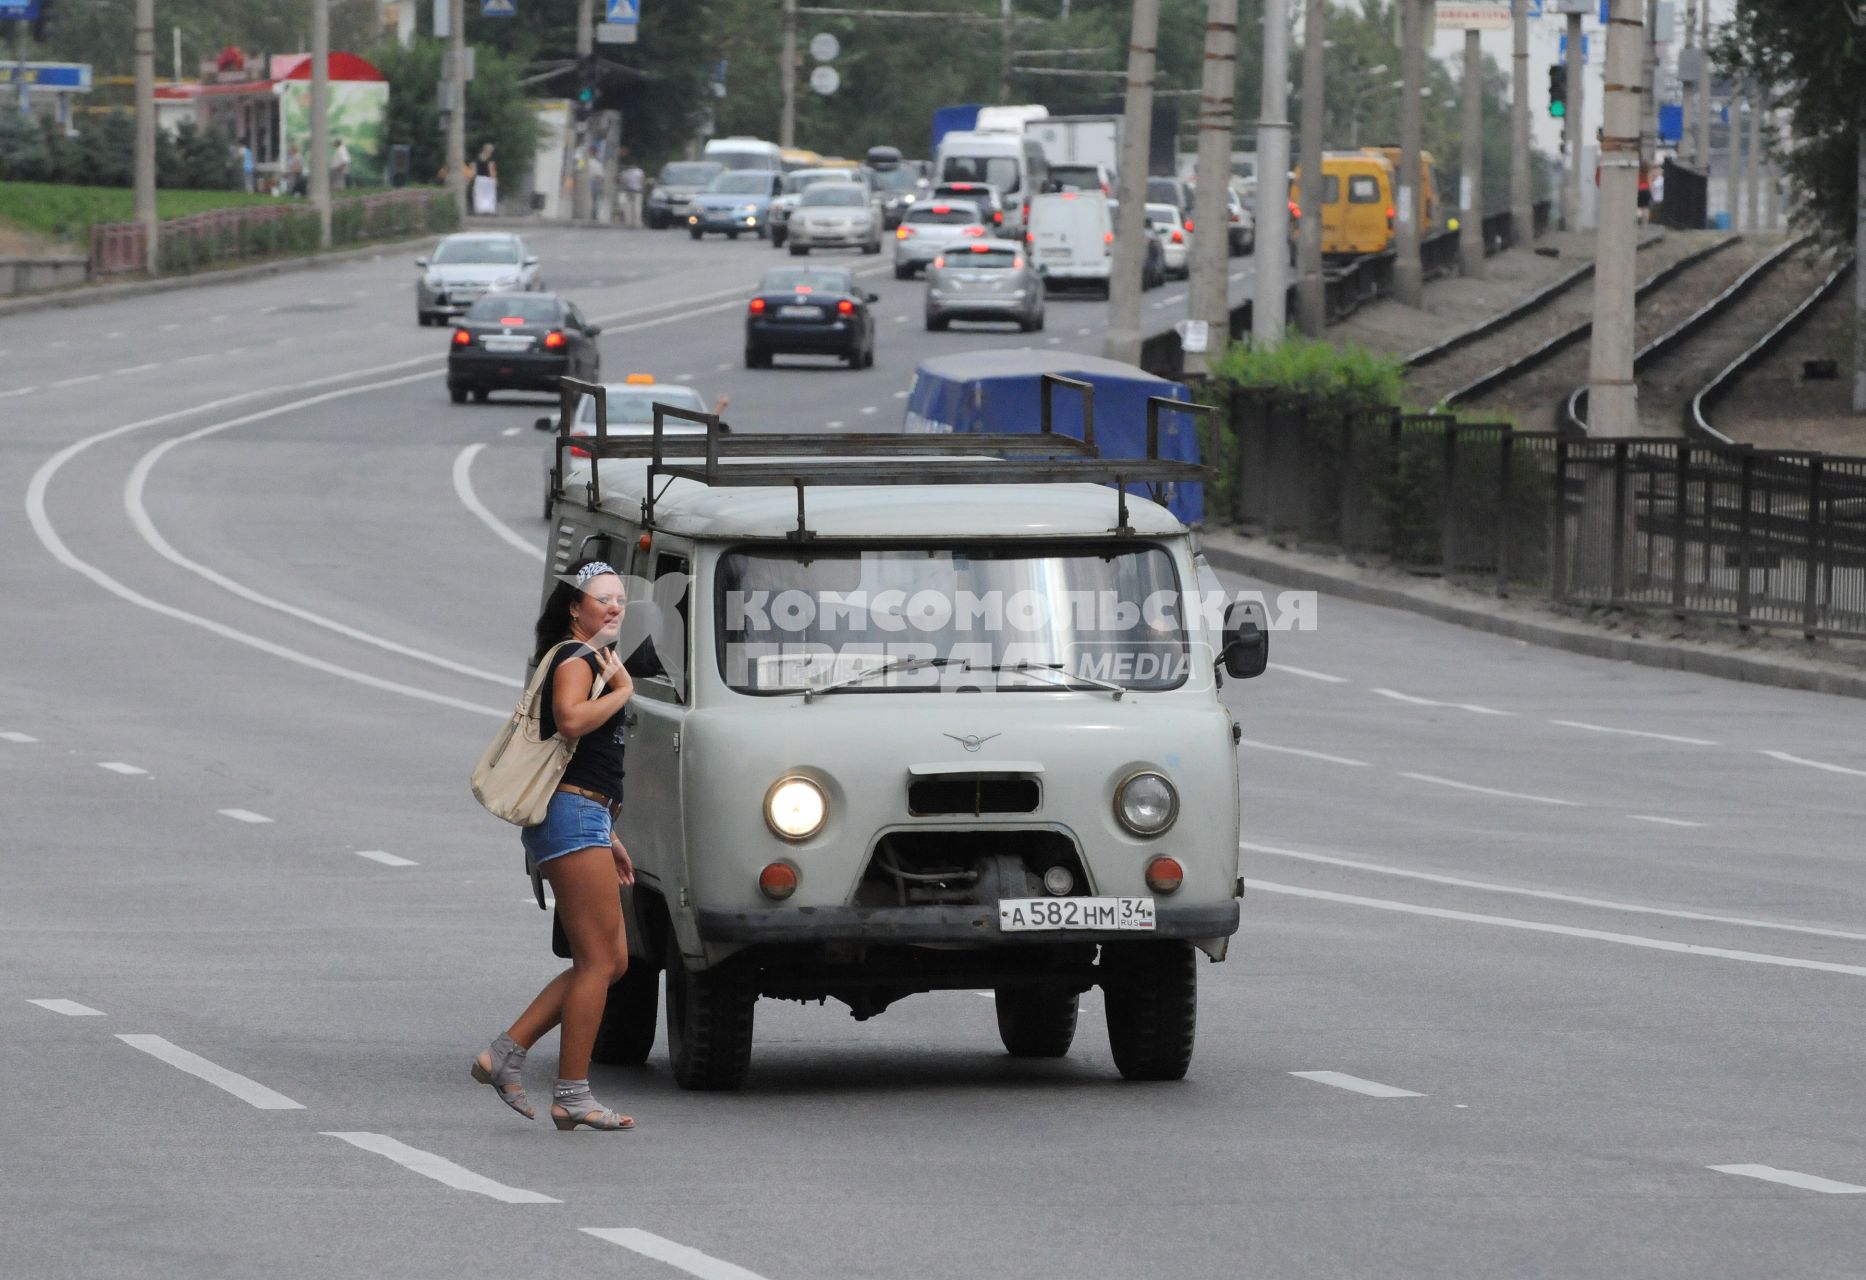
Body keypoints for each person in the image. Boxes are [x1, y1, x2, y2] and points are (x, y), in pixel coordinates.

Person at [471, 560, 637, 1133]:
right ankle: (572, 1093)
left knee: (612, 962)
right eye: (602, 599)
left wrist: (609, 836)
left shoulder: (590, 657)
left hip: (585, 817)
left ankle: (507, 1051)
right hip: (572, 818)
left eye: (620, 599)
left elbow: (579, 760)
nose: (614, 607)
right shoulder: (578, 658)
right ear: (574, 606)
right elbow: (570, 723)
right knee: (597, 962)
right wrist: (624, 691)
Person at [472, 143, 498, 216]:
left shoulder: (477, 157)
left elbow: (473, 168)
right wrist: (495, 179)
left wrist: (473, 177)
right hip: (488, 179)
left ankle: (480, 210)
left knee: (479, 195)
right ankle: (488, 210)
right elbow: (491, 170)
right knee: (489, 196)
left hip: (478, 179)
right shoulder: (490, 159)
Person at [620, 160, 645, 228]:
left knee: (628, 207)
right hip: (638, 191)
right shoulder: (639, 171)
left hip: (628, 191)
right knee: (637, 207)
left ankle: (628, 222)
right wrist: (642, 188)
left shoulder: (625, 172)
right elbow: (642, 181)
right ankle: (637, 222)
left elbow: (623, 182)